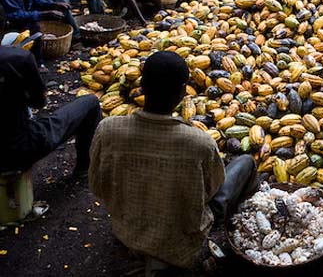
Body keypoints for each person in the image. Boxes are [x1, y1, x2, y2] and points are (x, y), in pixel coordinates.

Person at [89, 51, 256, 273]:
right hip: (182, 245)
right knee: (246, 163)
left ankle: (143, 252)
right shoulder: (199, 143)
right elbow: (211, 190)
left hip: (127, 232)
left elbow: (97, 186)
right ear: (181, 94)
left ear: (142, 87)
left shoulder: (107, 130)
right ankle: (239, 230)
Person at [0, 33, 101, 175]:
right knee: (91, 102)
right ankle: (84, 168)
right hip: (16, 150)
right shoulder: (18, 58)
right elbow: (38, 102)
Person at [0, 0, 80, 65]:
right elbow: (13, 15)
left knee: (55, 13)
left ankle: (76, 38)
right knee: (34, 29)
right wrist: (43, 14)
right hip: (6, 24)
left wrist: (53, 4)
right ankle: (36, 63)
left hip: (23, 15)